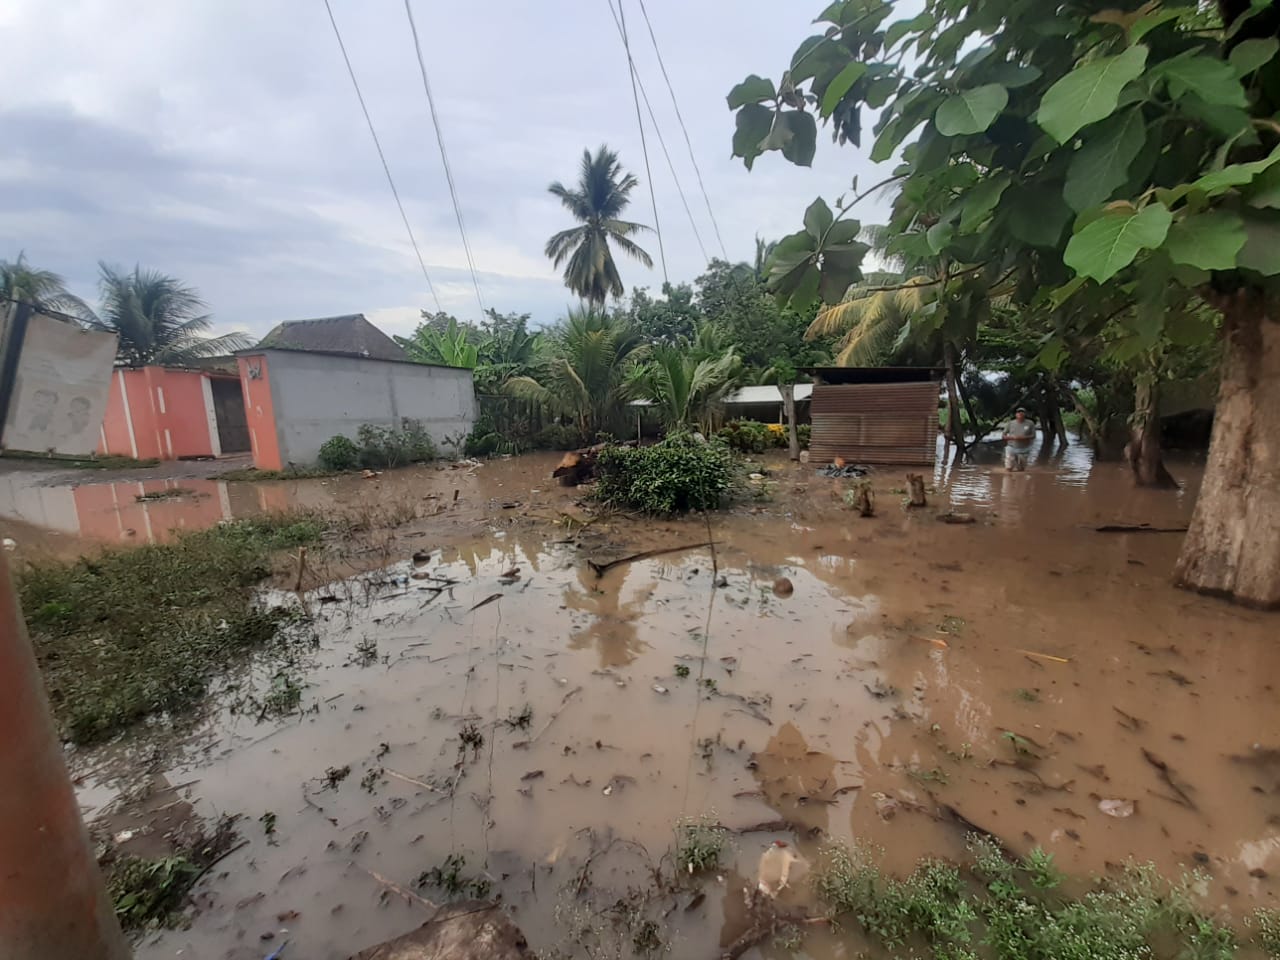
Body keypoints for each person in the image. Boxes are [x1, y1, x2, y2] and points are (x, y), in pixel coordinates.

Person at [1003, 407, 1036, 471]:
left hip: (1024, 448)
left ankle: (1019, 477)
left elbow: (1033, 436)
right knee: (1009, 467)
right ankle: (1009, 478)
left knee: (1021, 469)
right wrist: (1012, 438)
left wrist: (1023, 438)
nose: (1020, 413)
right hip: (1011, 447)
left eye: (1022, 412)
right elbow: (1003, 435)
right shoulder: (1010, 423)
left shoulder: (1030, 423)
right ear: (1016, 414)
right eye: (1018, 412)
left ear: (1025, 414)